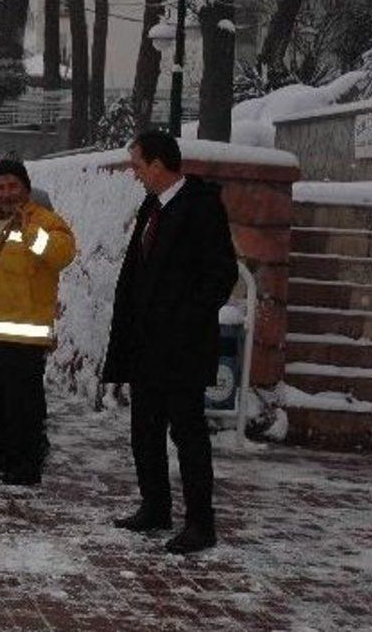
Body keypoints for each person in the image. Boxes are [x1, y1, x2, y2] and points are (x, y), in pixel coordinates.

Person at [103, 129, 238, 555]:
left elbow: (221, 274)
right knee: (145, 430)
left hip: (181, 347)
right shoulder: (153, 206)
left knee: (188, 434)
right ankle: (155, 505)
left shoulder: (200, 206)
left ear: (158, 165)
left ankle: (200, 522)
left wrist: (184, 319)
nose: (135, 174)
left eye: (138, 165)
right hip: (146, 346)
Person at [0, 160, 76, 486]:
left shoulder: (45, 222)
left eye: (12, 186)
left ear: (26, 188)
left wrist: (28, 232)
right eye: (0, 188)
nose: (6, 194)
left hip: (24, 333)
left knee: (22, 404)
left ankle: (26, 463)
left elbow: (61, 255)